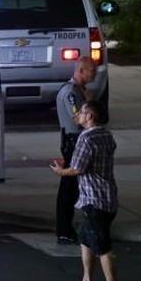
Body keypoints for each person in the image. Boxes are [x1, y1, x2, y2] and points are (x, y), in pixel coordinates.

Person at [50, 101, 123, 281]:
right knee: (85, 240)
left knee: (102, 246)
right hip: (108, 196)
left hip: (94, 199)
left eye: (82, 112)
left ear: (90, 116)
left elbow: (77, 169)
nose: (78, 116)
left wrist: (60, 171)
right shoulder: (107, 135)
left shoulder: (86, 138)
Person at [54, 56, 96, 243]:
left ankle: (68, 227)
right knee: (69, 187)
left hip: (77, 140)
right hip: (73, 141)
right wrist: (89, 103)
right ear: (81, 71)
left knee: (76, 187)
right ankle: (64, 229)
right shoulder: (71, 92)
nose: (93, 74)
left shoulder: (79, 90)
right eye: (91, 71)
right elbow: (78, 118)